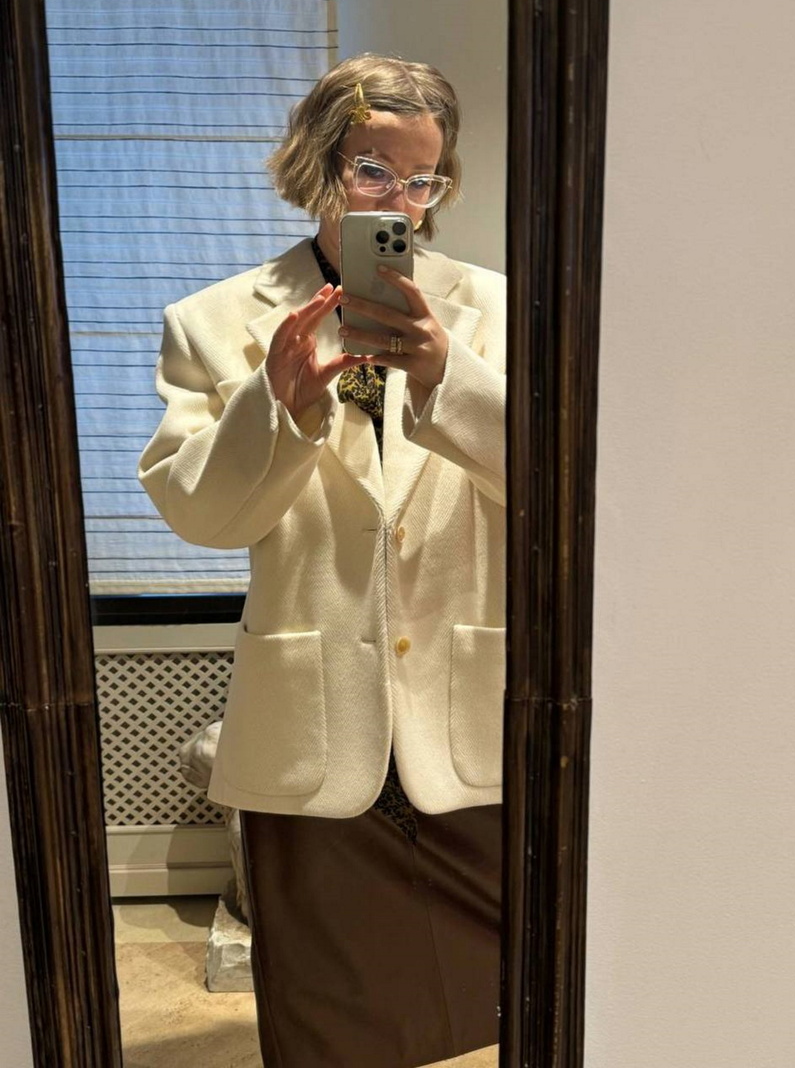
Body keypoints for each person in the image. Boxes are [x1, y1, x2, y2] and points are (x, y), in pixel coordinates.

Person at [138, 53, 506, 1068]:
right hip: (313, 722)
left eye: (420, 179)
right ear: (317, 164)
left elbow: (565, 491)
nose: (398, 202)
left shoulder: (498, 311)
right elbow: (201, 516)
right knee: (327, 1015)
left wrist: (450, 380)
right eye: (371, 171)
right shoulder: (214, 323)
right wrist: (277, 408)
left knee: (500, 992)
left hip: (463, 712)